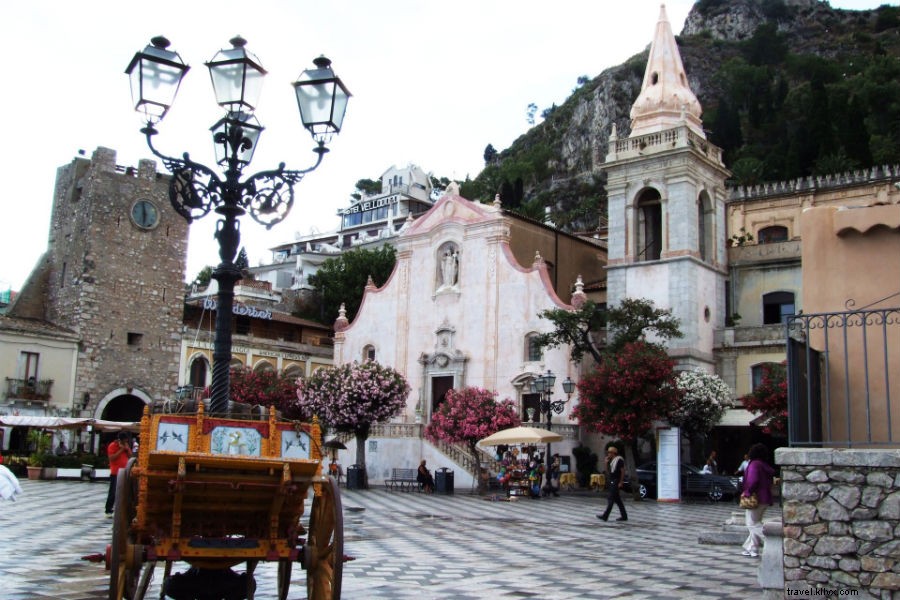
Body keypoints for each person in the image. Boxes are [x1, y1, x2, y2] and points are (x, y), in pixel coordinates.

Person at [740, 443, 775, 557]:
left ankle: (773, 540)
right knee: (755, 521)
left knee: (752, 523)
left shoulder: (754, 464)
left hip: (755, 497)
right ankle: (752, 548)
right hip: (765, 497)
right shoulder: (764, 465)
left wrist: (747, 492)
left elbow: (753, 480)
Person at [105, 431, 132, 518]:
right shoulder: (112, 446)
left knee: (125, 491)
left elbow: (130, 457)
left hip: (125, 472)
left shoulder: (126, 445)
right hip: (116, 472)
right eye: (124, 441)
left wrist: (126, 449)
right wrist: (121, 449)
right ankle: (108, 509)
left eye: (126, 441)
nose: (125, 442)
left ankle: (122, 509)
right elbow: (112, 458)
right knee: (113, 492)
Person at [597, 446, 627, 522]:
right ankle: (624, 516)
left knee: (611, 498)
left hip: (616, 480)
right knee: (618, 500)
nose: (608, 454)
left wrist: (621, 482)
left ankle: (605, 515)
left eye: (609, 452)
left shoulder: (619, 460)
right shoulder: (612, 461)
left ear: (613, 453)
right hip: (612, 480)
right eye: (608, 452)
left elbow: (622, 471)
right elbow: (608, 472)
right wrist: (606, 463)